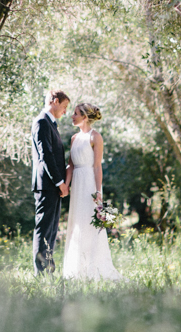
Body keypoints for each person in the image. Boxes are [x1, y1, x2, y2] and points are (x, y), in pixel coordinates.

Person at [62, 102, 123, 280]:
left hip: (89, 182)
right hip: (77, 185)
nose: (72, 116)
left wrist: (98, 192)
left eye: (75, 114)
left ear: (85, 117)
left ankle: (93, 268)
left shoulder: (95, 137)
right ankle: (76, 269)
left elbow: (97, 166)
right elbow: (70, 165)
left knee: (90, 223)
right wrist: (66, 185)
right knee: (76, 223)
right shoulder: (74, 138)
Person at [31, 90, 70, 274]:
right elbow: (45, 155)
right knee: (44, 229)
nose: (65, 112)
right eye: (64, 107)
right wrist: (60, 182)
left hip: (53, 186)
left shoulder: (51, 124)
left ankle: (48, 271)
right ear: (54, 101)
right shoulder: (42, 122)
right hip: (47, 185)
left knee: (52, 231)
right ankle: (40, 272)